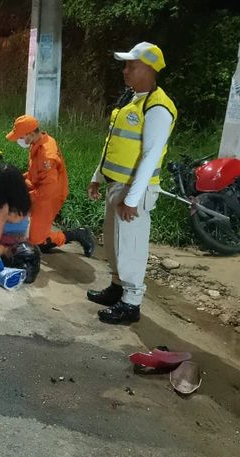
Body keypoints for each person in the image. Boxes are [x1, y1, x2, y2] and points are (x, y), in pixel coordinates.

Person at [87, 41, 177, 325]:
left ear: (149, 69)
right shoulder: (133, 99)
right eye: (126, 65)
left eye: (132, 66)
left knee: (132, 247)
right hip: (117, 185)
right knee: (114, 244)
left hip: (133, 191)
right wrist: (97, 176)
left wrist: (132, 199)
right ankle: (117, 287)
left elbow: (150, 157)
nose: (125, 71)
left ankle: (131, 302)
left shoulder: (158, 107)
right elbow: (113, 143)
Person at [5, 115, 94, 256]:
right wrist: (17, 179)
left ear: (31, 133)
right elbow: (35, 172)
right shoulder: (38, 142)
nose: (19, 140)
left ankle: (77, 234)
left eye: (20, 137)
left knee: (37, 243)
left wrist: (25, 197)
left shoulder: (47, 155)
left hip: (49, 196)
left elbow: (47, 189)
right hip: (39, 187)